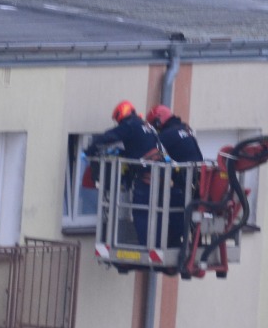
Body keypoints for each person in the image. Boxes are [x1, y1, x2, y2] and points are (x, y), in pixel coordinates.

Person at [86, 101, 162, 246]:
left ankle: (145, 245)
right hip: (158, 180)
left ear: (121, 115)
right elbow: (140, 148)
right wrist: (123, 153)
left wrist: (90, 149)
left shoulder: (130, 125)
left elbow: (109, 136)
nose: (119, 124)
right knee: (154, 215)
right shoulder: (147, 127)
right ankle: (154, 243)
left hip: (146, 180)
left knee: (140, 215)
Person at [147, 104, 204, 249]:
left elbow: (151, 152)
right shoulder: (185, 130)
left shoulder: (167, 135)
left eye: (155, 125)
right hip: (198, 180)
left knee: (171, 205)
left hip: (185, 182)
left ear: (159, 121)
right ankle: (197, 239)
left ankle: (172, 242)